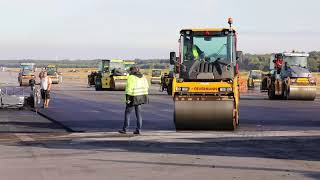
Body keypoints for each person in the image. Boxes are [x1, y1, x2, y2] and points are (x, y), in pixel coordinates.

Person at [119, 66, 149, 135]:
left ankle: (125, 129)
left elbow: (129, 89)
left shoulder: (131, 77)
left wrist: (127, 100)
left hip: (132, 97)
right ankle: (138, 130)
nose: (129, 72)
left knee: (127, 113)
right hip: (141, 97)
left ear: (132, 71)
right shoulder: (143, 77)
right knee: (138, 114)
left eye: (130, 71)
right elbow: (147, 86)